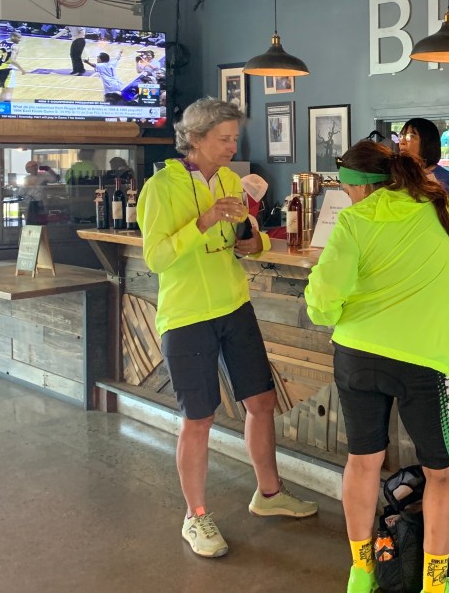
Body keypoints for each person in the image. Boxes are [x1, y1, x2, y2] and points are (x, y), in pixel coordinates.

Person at [138, 98, 318, 559]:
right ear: (195, 139)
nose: (232, 147)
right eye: (224, 139)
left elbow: (248, 245)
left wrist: (251, 237)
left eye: (235, 138)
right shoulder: (160, 188)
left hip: (235, 306)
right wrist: (205, 220)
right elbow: (156, 258)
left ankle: (269, 494)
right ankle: (195, 516)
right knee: (199, 419)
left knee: (262, 402)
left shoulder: (231, 180)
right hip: (187, 315)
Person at [304, 141, 449, 593]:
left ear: (360, 187)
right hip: (426, 359)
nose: (349, 199)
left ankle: (362, 573)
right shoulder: (440, 206)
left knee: (363, 462)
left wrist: (339, 304)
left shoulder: (354, 222)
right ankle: (435, 585)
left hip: (356, 353)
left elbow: (321, 305)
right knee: (441, 473)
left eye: (347, 191)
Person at [399, 118, 449, 250]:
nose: (402, 142)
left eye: (410, 136)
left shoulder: (445, 179)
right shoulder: (399, 177)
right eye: (401, 136)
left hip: (437, 250)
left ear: (427, 142)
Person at [0, 31, 25, 102]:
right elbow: (12, 60)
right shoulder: (14, 46)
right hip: (7, 69)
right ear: (12, 37)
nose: (20, 39)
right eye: (18, 38)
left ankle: (0, 107)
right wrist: (22, 69)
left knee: (4, 90)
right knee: (9, 91)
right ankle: (7, 108)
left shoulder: (1, 42)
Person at [23, 160, 58, 224]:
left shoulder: (43, 176)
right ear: (27, 169)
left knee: (42, 222)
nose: (34, 167)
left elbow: (55, 179)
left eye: (35, 166)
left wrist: (49, 170)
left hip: (42, 203)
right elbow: (22, 192)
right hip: (30, 203)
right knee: (31, 223)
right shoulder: (26, 179)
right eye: (31, 166)